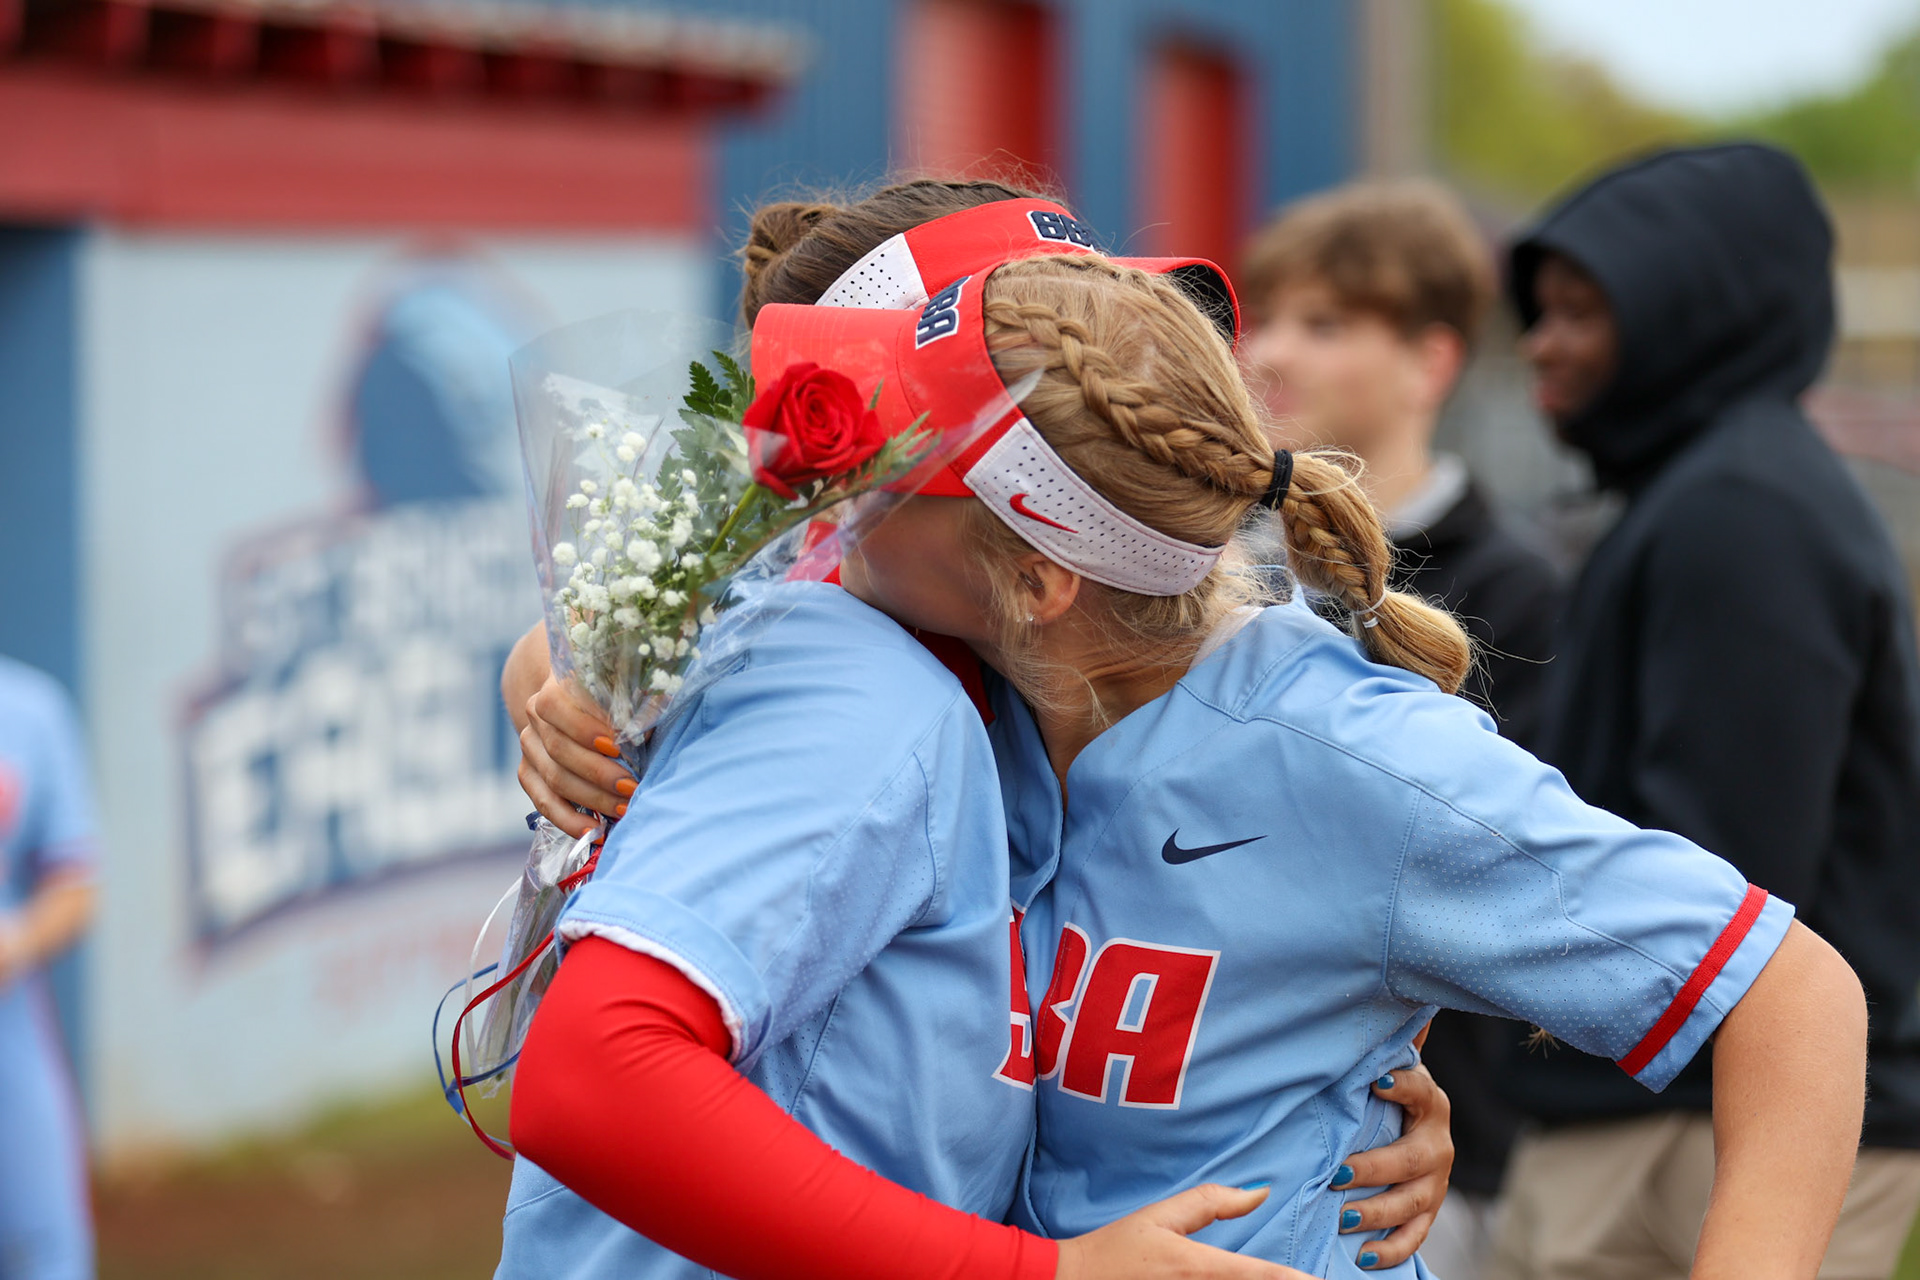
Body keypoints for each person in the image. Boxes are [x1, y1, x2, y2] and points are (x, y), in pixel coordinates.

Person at [750, 249, 1867, 1276]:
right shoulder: (966, 682)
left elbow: (1794, 994)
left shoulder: (1349, 754)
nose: (834, 493)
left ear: (1038, 581)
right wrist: (568, 688)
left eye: (891, 470)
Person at [496, 185, 1451, 1278]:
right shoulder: (864, 678)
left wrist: (1338, 1099)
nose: (1117, 401)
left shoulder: (1024, 685)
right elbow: (596, 1077)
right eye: (1061, 370)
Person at [1490, 142, 1920, 1280]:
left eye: (1582, 310)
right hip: (1664, 1108)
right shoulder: (1704, 490)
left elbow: (1720, 872)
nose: (1541, 342)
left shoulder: (1743, 512)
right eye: (1540, 310)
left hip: (1701, 1132)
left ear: (1697, 313)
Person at [1238, 181, 1561, 1276]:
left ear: (1432, 360)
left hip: (1415, 1168)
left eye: (1324, 323)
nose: (1271, 351)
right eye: (1263, 316)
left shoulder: (1521, 595)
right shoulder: (1211, 573)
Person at [0, 655, 101, 1280]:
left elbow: (76, 881)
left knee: (46, 1251)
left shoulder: (28, 707)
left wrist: (14, 940)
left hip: (11, 1033)